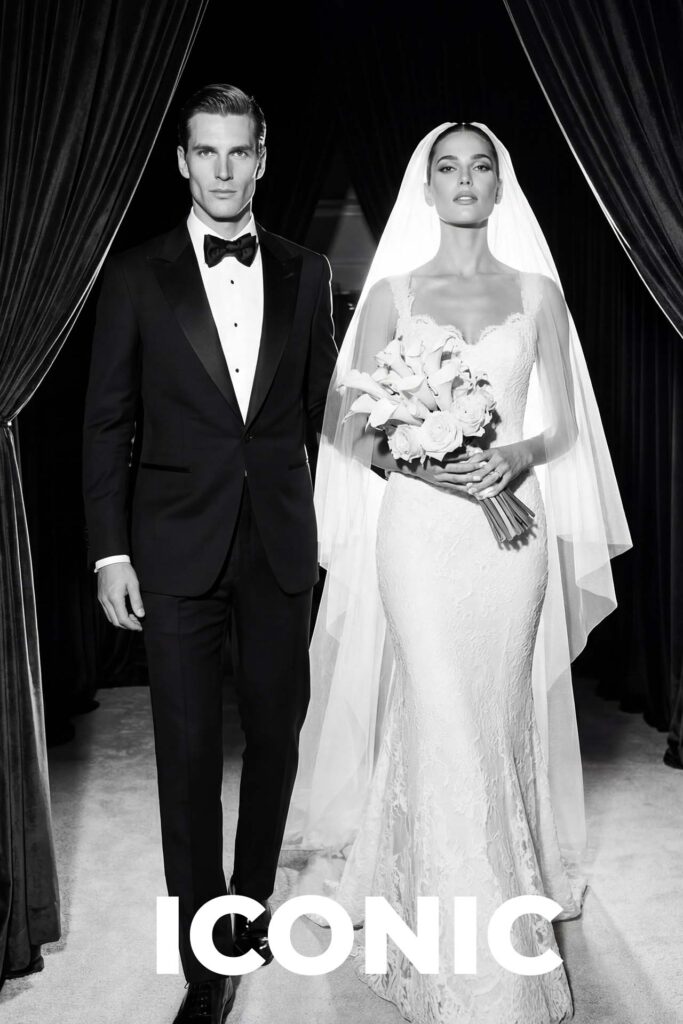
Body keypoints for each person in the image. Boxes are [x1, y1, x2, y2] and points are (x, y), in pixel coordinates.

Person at [284, 123, 631, 1023]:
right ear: (426, 188)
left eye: (480, 168)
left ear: (498, 185)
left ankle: (455, 897)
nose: (465, 181)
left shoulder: (539, 296)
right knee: (440, 715)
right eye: (449, 168)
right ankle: (467, 964)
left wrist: (513, 454)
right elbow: (342, 424)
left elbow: (569, 430)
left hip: (507, 548)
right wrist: (421, 461)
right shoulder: (394, 294)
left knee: (490, 720)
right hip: (419, 539)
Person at [82, 83, 337, 1023]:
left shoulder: (310, 274)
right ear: (183, 161)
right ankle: (205, 959)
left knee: (275, 738)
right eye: (207, 153)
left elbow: (324, 420)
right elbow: (106, 422)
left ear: (263, 157)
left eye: (240, 152)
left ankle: (250, 900)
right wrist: (110, 553)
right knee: (186, 756)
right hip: (171, 551)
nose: (224, 171)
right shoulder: (135, 274)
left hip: (279, 548)